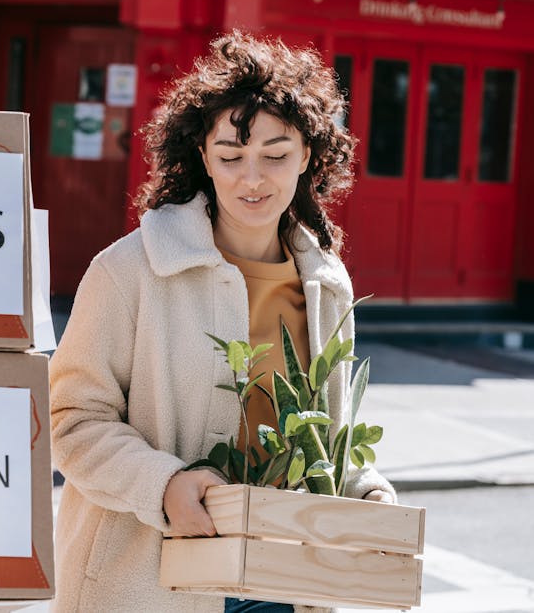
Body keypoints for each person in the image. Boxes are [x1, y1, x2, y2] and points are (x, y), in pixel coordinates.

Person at [49, 32, 396, 613]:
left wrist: (364, 491)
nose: (252, 179)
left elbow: (321, 436)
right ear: (204, 158)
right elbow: (70, 420)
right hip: (148, 584)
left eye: (276, 155)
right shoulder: (129, 269)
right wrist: (163, 484)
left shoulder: (327, 284)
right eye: (231, 157)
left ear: (309, 155)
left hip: (285, 581)